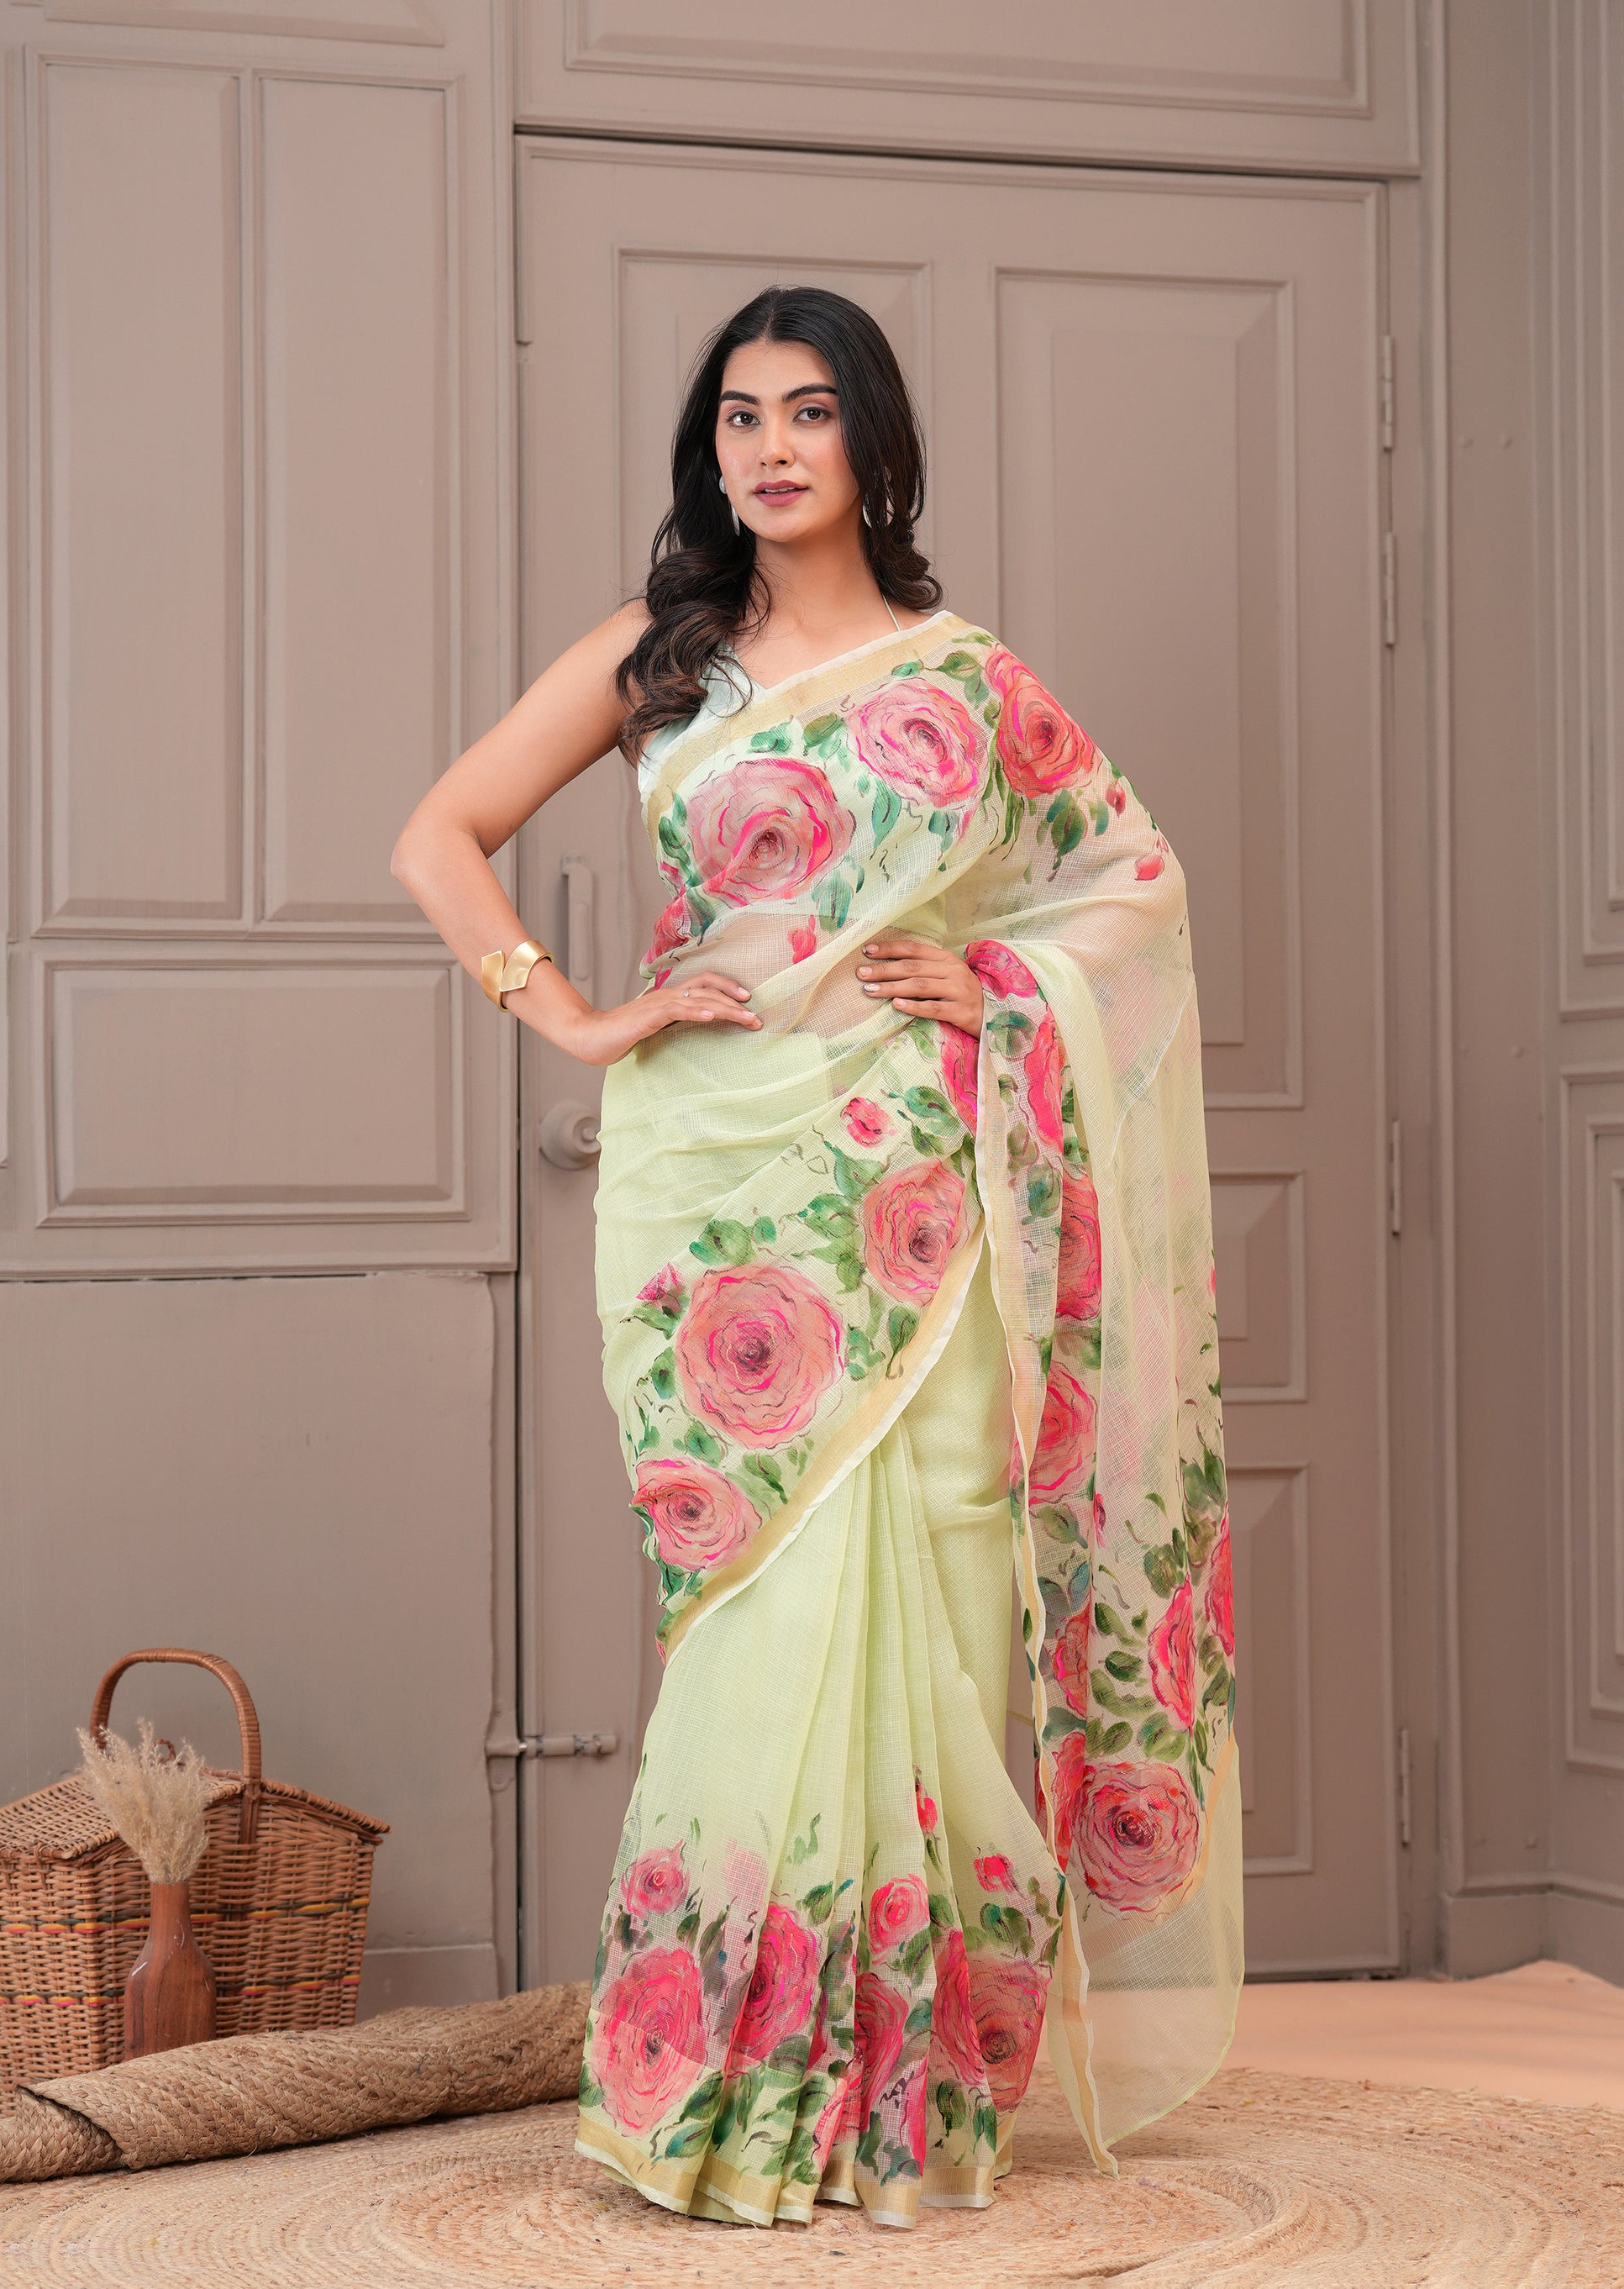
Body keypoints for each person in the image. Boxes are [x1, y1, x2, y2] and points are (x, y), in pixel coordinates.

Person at [392, 284, 1242, 2232]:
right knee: (759, 1616)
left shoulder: (969, 678)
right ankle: (721, 2085)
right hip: (711, 1186)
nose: (768, 447)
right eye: (737, 416)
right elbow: (440, 833)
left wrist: (999, 975)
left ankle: (905, 2098)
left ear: (872, 441)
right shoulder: (661, 657)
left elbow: (1134, 885)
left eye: (807, 411)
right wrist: (572, 1012)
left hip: (917, 1187)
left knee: (929, 1598)